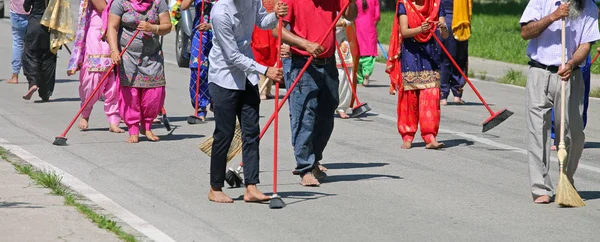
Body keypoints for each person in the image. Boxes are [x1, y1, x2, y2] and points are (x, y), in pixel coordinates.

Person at [206, 0, 287, 203]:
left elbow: (263, 22)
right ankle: (215, 187)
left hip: (247, 77)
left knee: (251, 132)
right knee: (224, 134)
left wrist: (275, 14)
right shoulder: (220, 13)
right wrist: (265, 69)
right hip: (224, 78)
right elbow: (232, 56)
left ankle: (251, 186)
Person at [519, 0, 599, 204]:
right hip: (539, 72)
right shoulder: (541, 1)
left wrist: (572, 63)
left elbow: (586, 44)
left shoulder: (589, 7)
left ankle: (567, 179)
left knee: (574, 132)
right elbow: (526, 31)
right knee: (538, 131)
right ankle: (541, 188)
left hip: (569, 76)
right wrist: (553, 16)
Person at [275, 0, 357, 186]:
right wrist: (305, 44)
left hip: (328, 64)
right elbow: (277, 30)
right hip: (301, 63)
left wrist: (351, 2)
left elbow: (350, 15)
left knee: (327, 115)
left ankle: (314, 159)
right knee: (304, 115)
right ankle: (304, 167)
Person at [106, 0, 172, 143]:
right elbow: (111, 26)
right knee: (131, 94)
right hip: (128, 56)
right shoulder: (120, 3)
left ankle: (147, 127)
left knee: (154, 94)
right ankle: (133, 129)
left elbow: (167, 26)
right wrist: (113, 50)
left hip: (153, 57)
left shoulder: (158, 2)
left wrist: (153, 27)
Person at [389, 0, 448, 150]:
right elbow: (404, 31)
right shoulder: (405, 4)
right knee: (409, 97)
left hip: (431, 55)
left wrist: (443, 28)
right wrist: (420, 29)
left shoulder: (436, 4)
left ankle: (430, 137)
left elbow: (445, 34)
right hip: (411, 54)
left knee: (431, 96)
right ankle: (407, 135)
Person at [67, 0, 124, 133]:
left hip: (116, 32)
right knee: (92, 79)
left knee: (114, 82)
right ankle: (85, 114)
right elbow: (105, 9)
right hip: (98, 34)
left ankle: (114, 120)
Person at [181, 0, 214, 122]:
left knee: (218, 70)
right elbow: (183, 6)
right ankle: (200, 107)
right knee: (198, 69)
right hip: (200, 33)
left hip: (220, 33)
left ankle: (215, 101)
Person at [21, 0, 57, 101]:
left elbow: (26, 7)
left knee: (30, 56)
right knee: (49, 59)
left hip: (35, 24)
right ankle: (45, 93)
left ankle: (33, 82)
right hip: (50, 27)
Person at [439, 0, 469, 105]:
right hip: (462, 23)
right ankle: (457, 94)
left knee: (444, 59)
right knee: (460, 58)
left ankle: (443, 95)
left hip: (444, 21)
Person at [251, 0, 278, 100]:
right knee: (260, 59)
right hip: (260, 29)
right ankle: (261, 90)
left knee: (272, 59)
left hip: (272, 28)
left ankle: (268, 90)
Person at [354, 0, 379, 87]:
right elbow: (377, 16)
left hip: (358, 27)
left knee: (358, 53)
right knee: (369, 54)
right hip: (370, 28)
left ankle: (360, 78)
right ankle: (366, 73)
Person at [334, 17, 355, 119]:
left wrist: (339, 23)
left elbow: (351, 17)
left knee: (344, 74)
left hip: (340, 40)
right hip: (323, 38)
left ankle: (341, 106)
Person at [8, 0, 29, 84]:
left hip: (17, 11)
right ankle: (34, 76)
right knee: (32, 43)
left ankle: (15, 75)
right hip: (34, 12)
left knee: (18, 42)